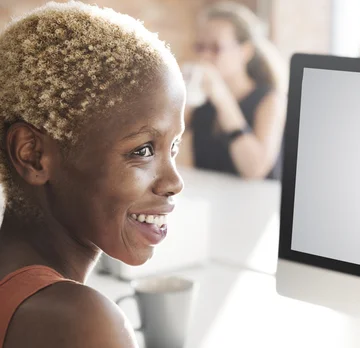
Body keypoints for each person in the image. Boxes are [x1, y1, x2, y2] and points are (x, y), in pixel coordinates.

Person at [0, 1, 185, 347]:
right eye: (143, 150)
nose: (175, 182)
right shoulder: (81, 323)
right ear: (34, 155)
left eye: (173, 146)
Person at [177, 1, 287, 180]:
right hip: (210, 202)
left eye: (216, 48)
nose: (204, 56)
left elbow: (255, 170)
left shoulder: (269, 99)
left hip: (256, 203)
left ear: (246, 51)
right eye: (200, 47)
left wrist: (221, 97)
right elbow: (167, 150)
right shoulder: (199, 99)